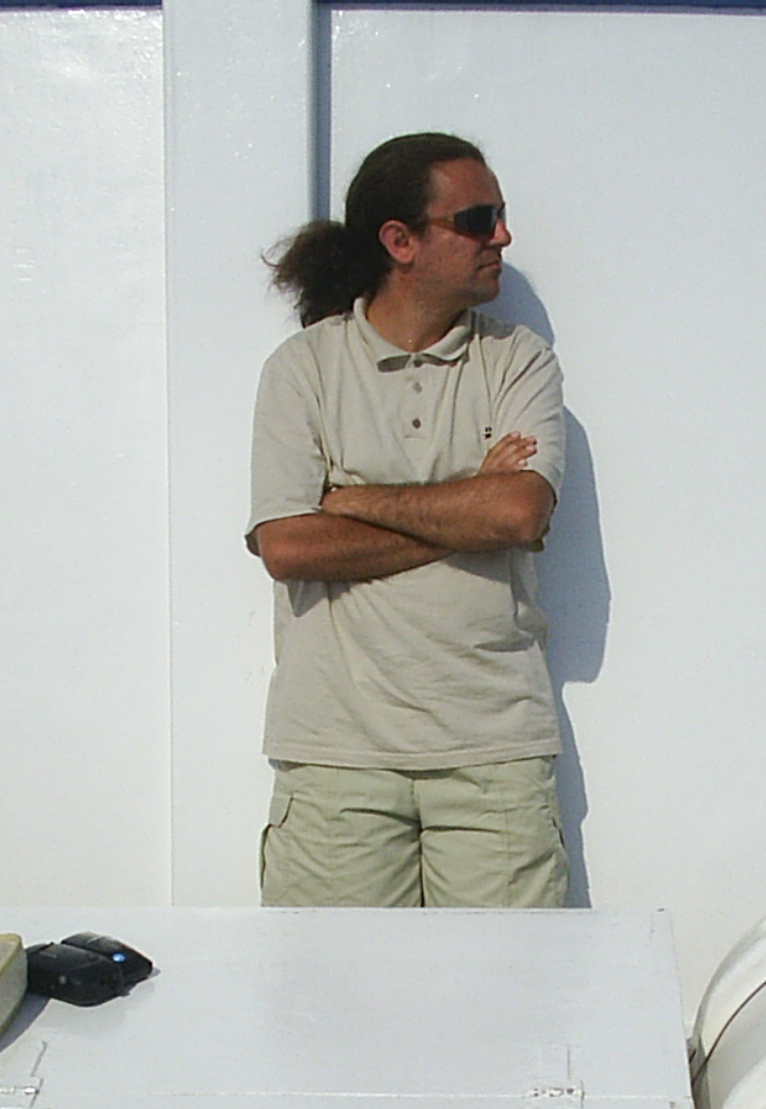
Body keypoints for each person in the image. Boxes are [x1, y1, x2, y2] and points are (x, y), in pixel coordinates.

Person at [247, 132, 567, 908]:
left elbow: (517, 511)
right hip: (336, 756)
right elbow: (289, 546)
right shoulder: (304, 368)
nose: (502, 236)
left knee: (509, 982)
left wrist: (352, 500)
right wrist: (466, 502)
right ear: (401, 242)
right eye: (478, 219)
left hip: (493, 752)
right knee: (334, 983)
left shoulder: (519, 359)